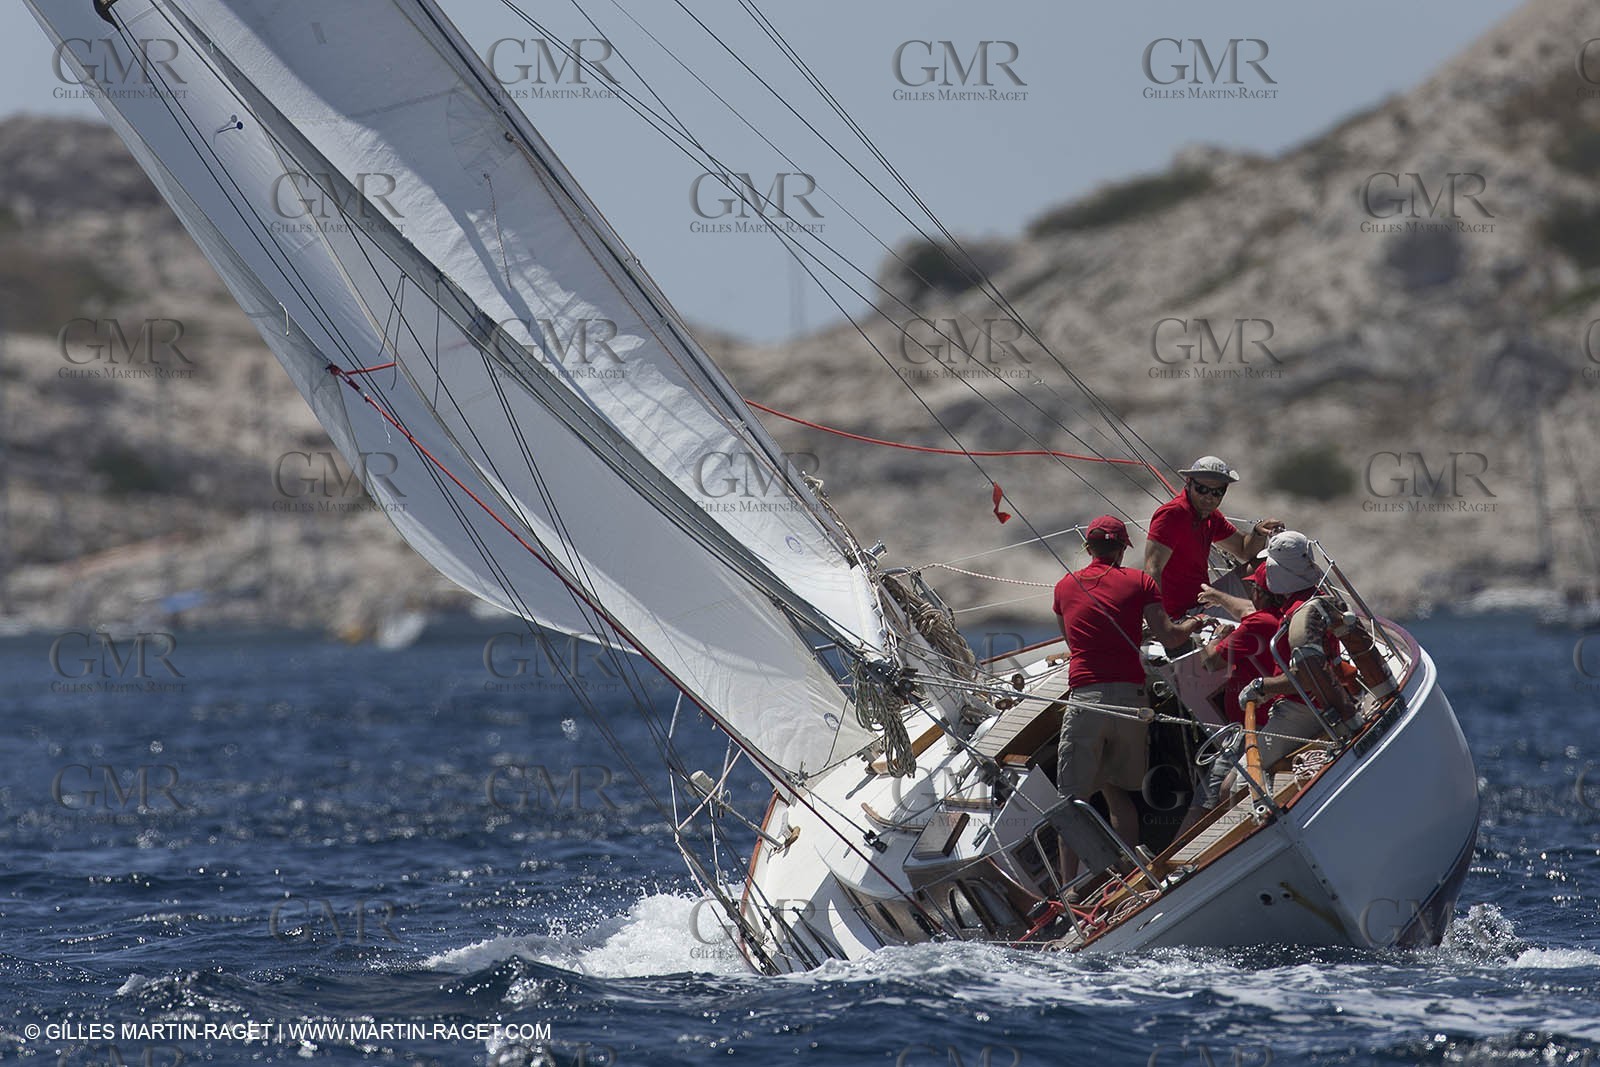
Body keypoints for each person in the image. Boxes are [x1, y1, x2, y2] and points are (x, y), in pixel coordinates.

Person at [1052, 516, 1202, 880]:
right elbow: (1170, 638)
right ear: (1122, 549)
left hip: (1087, 696)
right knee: (1119, 791)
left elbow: (1073, 644)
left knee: (1072, 801)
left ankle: (1070, 886)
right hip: (1131, 700)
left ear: (1088, 548)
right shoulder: (1141, 582)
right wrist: (1192, 625)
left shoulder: (1063, 587)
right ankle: (1130, 873)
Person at [1176, 562, 1286, 831]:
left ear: (1261, 593)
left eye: (1253, 588)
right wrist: (1215, 596)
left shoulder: (1257, 623)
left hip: (1249, 728)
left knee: (1204, 800)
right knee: (1215, 790)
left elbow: (1211, 662)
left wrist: (1213, 637)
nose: (1250, 594)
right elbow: (1245, 610)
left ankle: (1177, 851)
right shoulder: (1274, 617)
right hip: (1256, 723)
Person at [1234, 530, 1349, 774]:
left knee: (1240, 778)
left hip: (1303, 708)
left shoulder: (1297, 615)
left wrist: (1260, 686)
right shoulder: (1318, 598)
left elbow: (1304, 678)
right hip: (1329, 698)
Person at [1144, 456, 1283, 621]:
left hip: (1204, 599)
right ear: (1188, 483)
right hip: (1181, 613)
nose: (1209, 497)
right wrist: (1160, 623)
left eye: (1217, 492)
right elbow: (1153, 569)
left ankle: (1287, 613)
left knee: (1270, 561)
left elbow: (1244, 550)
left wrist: (1258, 534)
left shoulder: (1211, 516)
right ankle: (1272, 622)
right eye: (1202, 489)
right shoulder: (1172, 514)